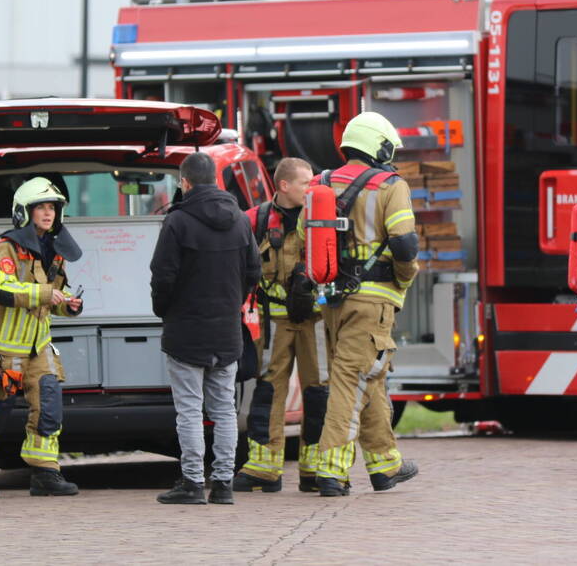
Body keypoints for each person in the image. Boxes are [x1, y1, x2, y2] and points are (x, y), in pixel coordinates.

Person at [301, 111, 420, 497]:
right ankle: (332, 469)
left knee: (370, 375)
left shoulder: (320, 183)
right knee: (351, 381)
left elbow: (306, 235)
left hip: (333, 297)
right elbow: (404, 243)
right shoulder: (391, 185)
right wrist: (407, 275)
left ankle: (385, 465)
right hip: (374, 300)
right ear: (380, 147)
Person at [0, 177, 83, 496]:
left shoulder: (55, 248)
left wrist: (69, 304)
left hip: (38, 348)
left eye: (52, 207)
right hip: (5, 354)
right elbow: (1, 288)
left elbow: (55, 294)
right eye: (40, 207)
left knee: (49, 406)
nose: (48, 213)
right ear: (24, 212)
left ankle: (45, 473)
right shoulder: (8, 246)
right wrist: (44, 293)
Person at [151, 152, 261, 505]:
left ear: (184, 182)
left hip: (185, 331)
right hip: (226, 331)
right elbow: (254, 271)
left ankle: (193, 483)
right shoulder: (241, 221)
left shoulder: (177, 222)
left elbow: (162, 277)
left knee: (189, 410)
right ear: (215, 180)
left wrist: (164, 311)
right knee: (224, 410)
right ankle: (224, 484)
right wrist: (234, 303)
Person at [233, 157, 329, 494]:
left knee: (318, 391)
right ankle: (264, 468)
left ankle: (314, 469)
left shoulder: (321, 219)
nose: (312, 188)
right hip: (274, 319)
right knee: (268, 389)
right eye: (305, 183)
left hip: (315, 318)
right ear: (284, 186)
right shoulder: (256, 220)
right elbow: (239, 266)